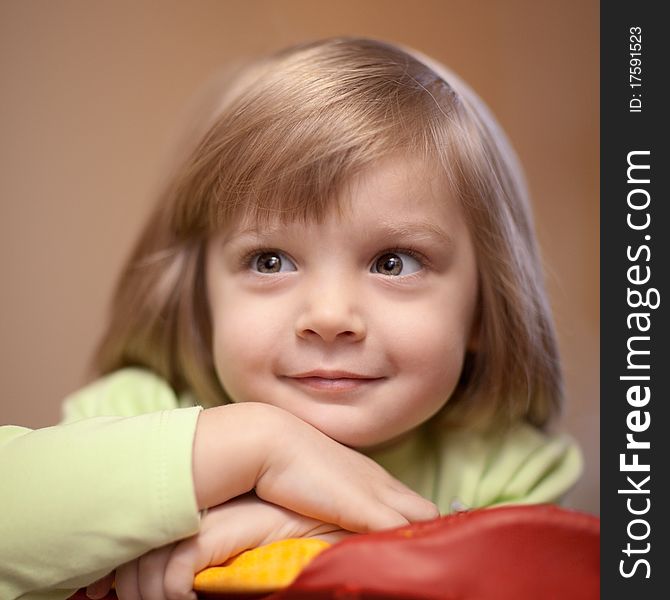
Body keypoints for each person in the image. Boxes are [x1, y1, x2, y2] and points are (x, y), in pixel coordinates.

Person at [0, 37, 582, 600]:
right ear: (200, 300)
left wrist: (316, 536)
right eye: (269, 260)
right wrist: (258, 445)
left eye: (393, 262)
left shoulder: (507, 473)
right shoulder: (135, 414)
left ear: (485, 307)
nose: (330, 317)